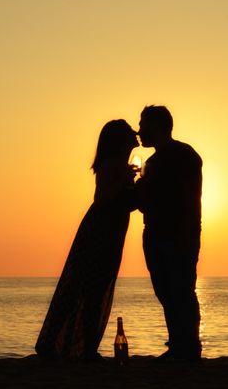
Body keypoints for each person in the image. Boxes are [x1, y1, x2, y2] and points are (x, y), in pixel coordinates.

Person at [36, 120, 138, 360]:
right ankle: (76, 348)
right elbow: (102, 199)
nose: (136, 135)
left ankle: (74, 346)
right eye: (129, 133)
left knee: (91, 288)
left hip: (111, 231)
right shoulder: (112, 165)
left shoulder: (119, 166)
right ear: (119, 141)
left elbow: (123, 202)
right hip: (101, 231)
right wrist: (125, 180)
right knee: (89, 289)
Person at [135, 105, 202, 361]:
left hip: (178, 235)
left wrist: (188, 233)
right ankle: (177, 345)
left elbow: (191, 198)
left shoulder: (184, 155)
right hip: (153, 234)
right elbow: (144, 204)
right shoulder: (150, 163)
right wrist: (137, 186)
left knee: (182, 291)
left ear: (159, 126)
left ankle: (189, 348)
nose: (140, 130)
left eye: (144, 125)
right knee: (165, 291)